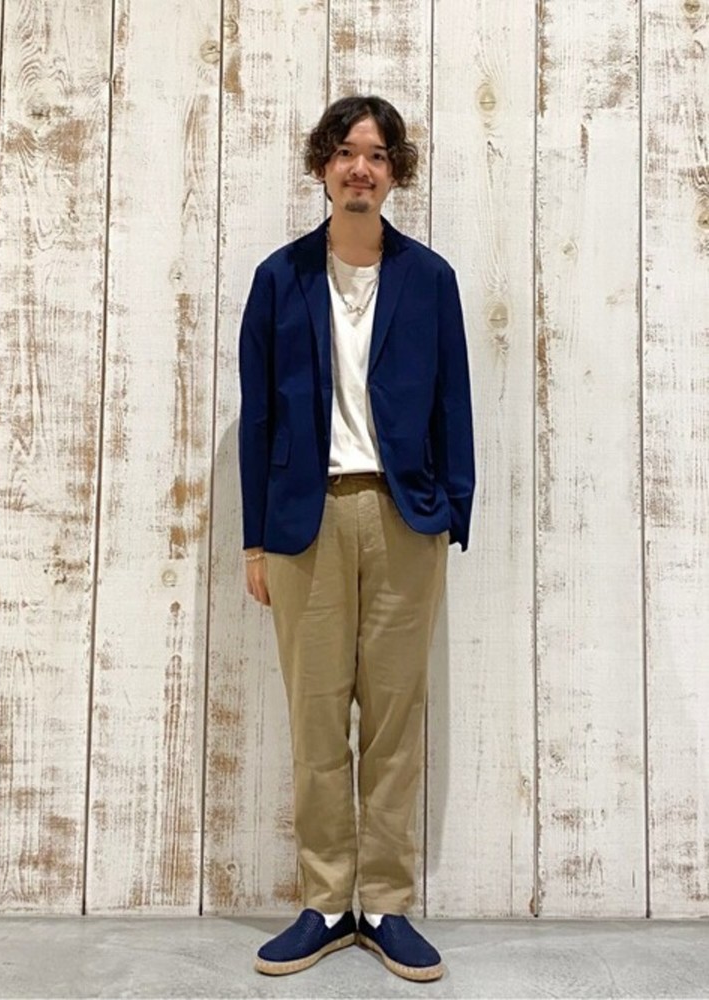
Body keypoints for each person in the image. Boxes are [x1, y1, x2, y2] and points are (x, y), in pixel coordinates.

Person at [237, 94, 475, 982]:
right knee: (314, 716)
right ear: (323, 167)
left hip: (406, 519)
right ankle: (327, 901)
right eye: (345, 152)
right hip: (306, 522)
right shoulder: (280, 278)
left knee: (394, 721)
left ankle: (387, 904)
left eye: (376, 154)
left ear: (394, 171)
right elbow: (259, 417)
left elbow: (454, 398)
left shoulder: (430, 279)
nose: (360, 168)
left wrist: (453, 509)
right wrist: (255, 542)